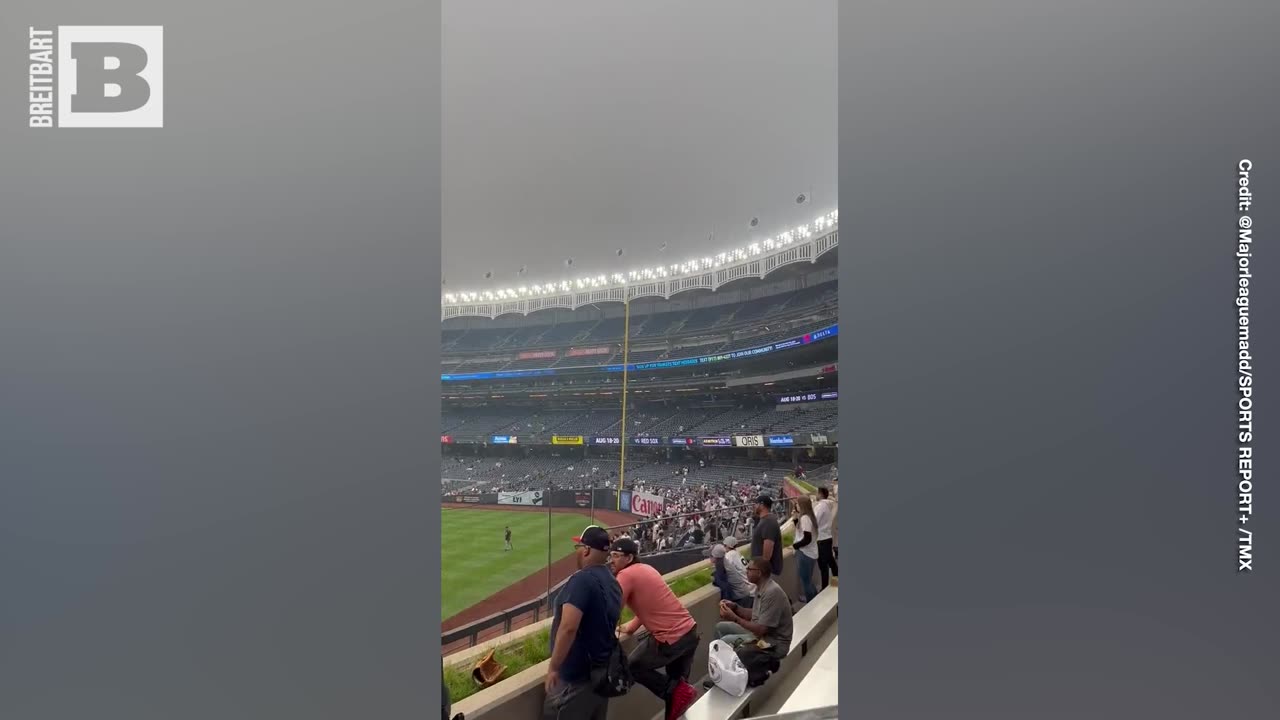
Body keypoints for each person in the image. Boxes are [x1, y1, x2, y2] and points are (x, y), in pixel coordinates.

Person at [609, 538, 699, 720]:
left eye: (616, 556)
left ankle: (675, 691)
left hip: (671, 639)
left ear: (629, 558)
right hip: (689, 633)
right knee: (676, 697)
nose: (611, 560)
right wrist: (632, 627)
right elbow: (651, 604)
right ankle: (676, 692)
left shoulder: (625, 575)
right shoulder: (646, 569)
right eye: (611, 555)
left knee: (632, 667)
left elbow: (611, 611)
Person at [543, 526, 623, 720]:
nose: (577, 550)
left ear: (586, 549)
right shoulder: (613, 581)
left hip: (574, 681)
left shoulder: (582, 580)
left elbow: (569, 627)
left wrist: (554, 667)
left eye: (578, 546)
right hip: (601, 676)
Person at [713, 558, 793, 663]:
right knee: (720, 627)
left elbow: (761, 629)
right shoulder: (761, 587)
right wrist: (735, 607)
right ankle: (728, 668)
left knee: (725, 641)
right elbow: (756, 614)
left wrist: (735, 618)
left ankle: (735, 672)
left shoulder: (771, 592)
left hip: (773, 644)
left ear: (759, 573)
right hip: (760, 635)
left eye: (749, 569)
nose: (746, 571)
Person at [710, 535, 755, 608]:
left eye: (724, 545)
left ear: (727, 546)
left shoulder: (729, 555)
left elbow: (724, 581)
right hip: (750, 589)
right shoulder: (737, 553)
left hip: (746, 592)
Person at [791, 497, 820, 603]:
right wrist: (795, 518)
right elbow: (801, 531)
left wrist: (795, 546)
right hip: (811, 553)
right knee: (808, 579)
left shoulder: (805, 518)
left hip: (805, 554)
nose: (796, 506)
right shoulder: (808, 516)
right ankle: (815, 598)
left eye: (797, 504)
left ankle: (811, 602)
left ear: (802, 505)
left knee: (806, 581)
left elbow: (807, 538)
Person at [749, 495, 783, 578]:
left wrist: (761, 570)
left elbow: (768, 551)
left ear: (762, 505)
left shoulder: (768, 522)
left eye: (756, 503)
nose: (754, 506)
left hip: (766, 571)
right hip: (764, 569)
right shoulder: (766, 520)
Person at [813, 487, 838, 589]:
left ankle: (824, 588)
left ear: (820, 494)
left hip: (821, 539)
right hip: (827, 538)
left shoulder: (820, 507)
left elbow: (815, 522)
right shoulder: (828, 505)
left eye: (817, 493)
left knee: (823, 566)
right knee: (830, 561)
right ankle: (836, 579)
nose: (816, 495)